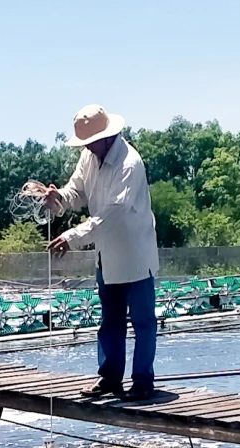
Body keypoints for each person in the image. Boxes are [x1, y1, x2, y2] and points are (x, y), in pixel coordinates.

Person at [42, 103, 161, 401]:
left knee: (143, 321)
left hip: (136, 254)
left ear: (108, 136)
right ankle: (109, 378)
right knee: (110, 320)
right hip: (106, 255)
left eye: (91, 142)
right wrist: (59, 198)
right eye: (85, 143)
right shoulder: (89, 157)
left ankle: (143, 381)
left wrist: (71, 237)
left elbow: (112, 215)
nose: (88, 147)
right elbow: (77, 192)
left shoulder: (130, 164)